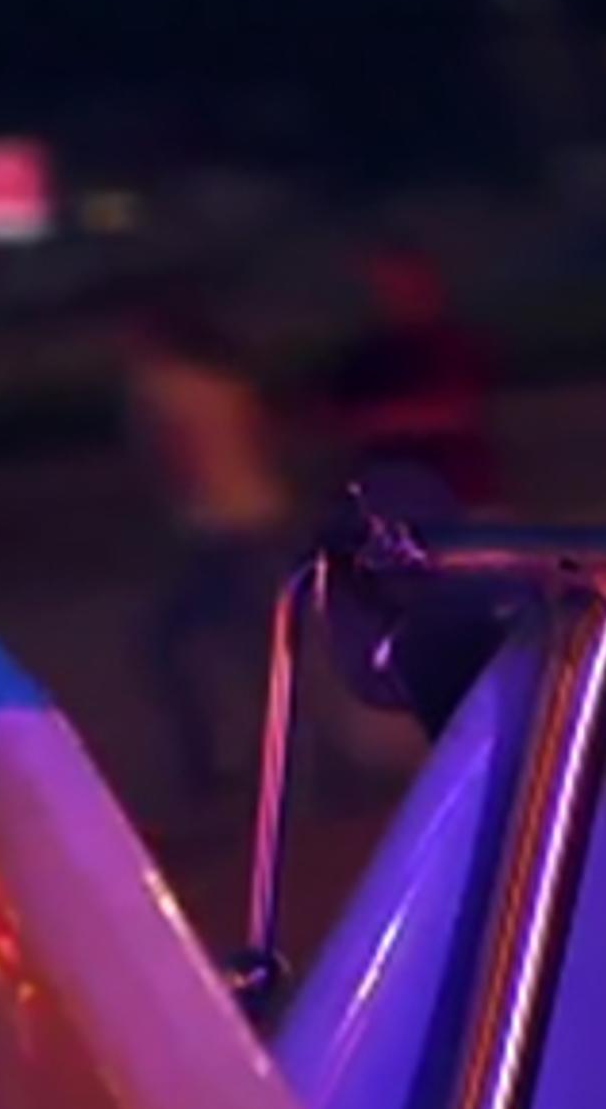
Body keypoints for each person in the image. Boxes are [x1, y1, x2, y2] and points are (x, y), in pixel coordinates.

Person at [112, 282, 297, 805]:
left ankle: (208, 766)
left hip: (213, 530)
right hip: (260, 514)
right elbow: (264, 438)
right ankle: (296, 760)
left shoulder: (156, 385)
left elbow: (175, 460)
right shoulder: (227, 379)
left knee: (164, 649)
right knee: (253, 647)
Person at [323, 240, 505, 513]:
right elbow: (327, 414)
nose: (394, 294)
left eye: (403, 283)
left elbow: (454, 411)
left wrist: (374, 420)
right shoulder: (366, 353)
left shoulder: (451, 345)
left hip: (457, 491)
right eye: (385, 286)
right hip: (391, 497)